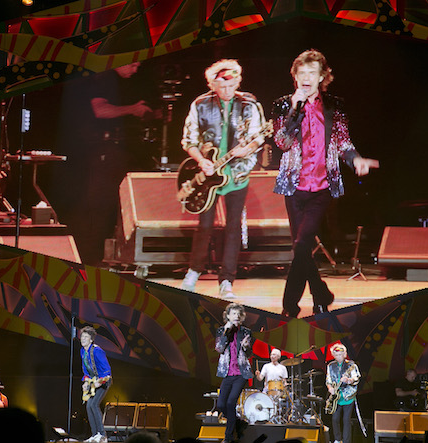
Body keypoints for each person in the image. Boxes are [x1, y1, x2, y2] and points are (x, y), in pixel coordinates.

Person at [272, 49, 379, 317]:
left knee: (301, 244)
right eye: (302, 73)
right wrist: (295, 110)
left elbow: (343, 141)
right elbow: (282, 142)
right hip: (293, 186)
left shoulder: (334, 105)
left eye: (312, 73)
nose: (306, 77)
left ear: (322, 77)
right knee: (302, 248)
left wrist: (355, 159)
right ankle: (321, 295)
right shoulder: (284, 105)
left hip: (321, 186)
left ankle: (289, 308)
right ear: (295, 77)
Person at [179, 59, 267, 298]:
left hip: (237, 174)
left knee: (233, 227)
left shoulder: (250, 104)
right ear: (212, 85)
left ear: (238, 81)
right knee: (204, 226)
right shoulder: (200, 104)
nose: (227, 91)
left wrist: (247, 149)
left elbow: (258, 137)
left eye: (231, 85)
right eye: (221, 86)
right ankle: (193, 273)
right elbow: (189, 139)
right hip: (209, 174)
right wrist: (201, 160)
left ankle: (227, 280)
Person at [80, 62, 160, 265]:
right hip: (107, 150)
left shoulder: (128, 82)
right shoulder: (104, 77)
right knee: (102, 205)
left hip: (126, 151)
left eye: (139, 66)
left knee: (126, 207)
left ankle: (122, 255)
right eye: (133, 65)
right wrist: (133, 109)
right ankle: (92, 258)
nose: (135, 70)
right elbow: (100, 110)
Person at [215, 303, 253, 443]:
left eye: (239, 314)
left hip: (241, 373)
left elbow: (249, 353)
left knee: (231, 403)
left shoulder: (246, 332)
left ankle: (228, 437)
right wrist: (226, 333)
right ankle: (238, 423)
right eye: (234, 314)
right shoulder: (221, 331)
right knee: (221, 405)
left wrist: (246, 347)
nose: (236, 316)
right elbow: (219, 349)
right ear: (228, 316)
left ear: (242, 317)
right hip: (227, 372)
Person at [80, 326, 112, 443]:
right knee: (89, 406)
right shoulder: (82, 351)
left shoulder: (97, 351)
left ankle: (102, 435)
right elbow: (86, 370)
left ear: (91, 339)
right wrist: (86, 382)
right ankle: (94, 435)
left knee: (94, 405)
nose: (83, 339)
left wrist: (100, 381)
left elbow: (107, 371)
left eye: (86, 337)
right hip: (94, 381)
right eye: (82, 336)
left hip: (104, 380)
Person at [326, 343, 361, 443]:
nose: (339, 357)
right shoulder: (330, 366)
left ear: (345, 354)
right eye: (336, 355)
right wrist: (330, 388)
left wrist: (348, 380)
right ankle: (337, 439)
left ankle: (346, 441)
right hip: (336, 396)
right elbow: (328, 380)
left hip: (348, 396)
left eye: (341, 354)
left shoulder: (351, 365)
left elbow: (356, 377)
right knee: (335, 419)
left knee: (346, 420)